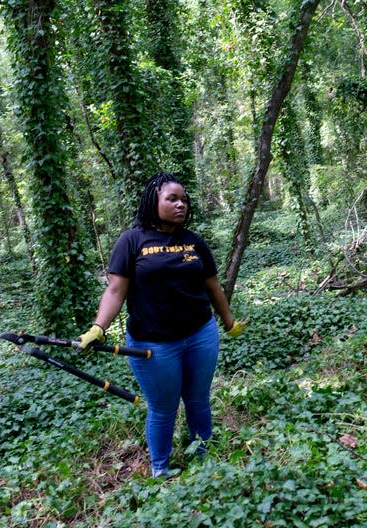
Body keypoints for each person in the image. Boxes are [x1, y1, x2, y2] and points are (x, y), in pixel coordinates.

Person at [77, 172, 246, 478]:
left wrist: (229, 321)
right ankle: (161, 469)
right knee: (163, 408)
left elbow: (213, 286)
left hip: (200, 335)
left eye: (184, 199)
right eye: (172, 199)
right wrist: (98, 328)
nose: (181, 204)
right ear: (152, 200)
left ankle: (203, 457)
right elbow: (116, 290)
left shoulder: (193, 241)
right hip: (152, 344)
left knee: (198, 399)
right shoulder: (131, 241)